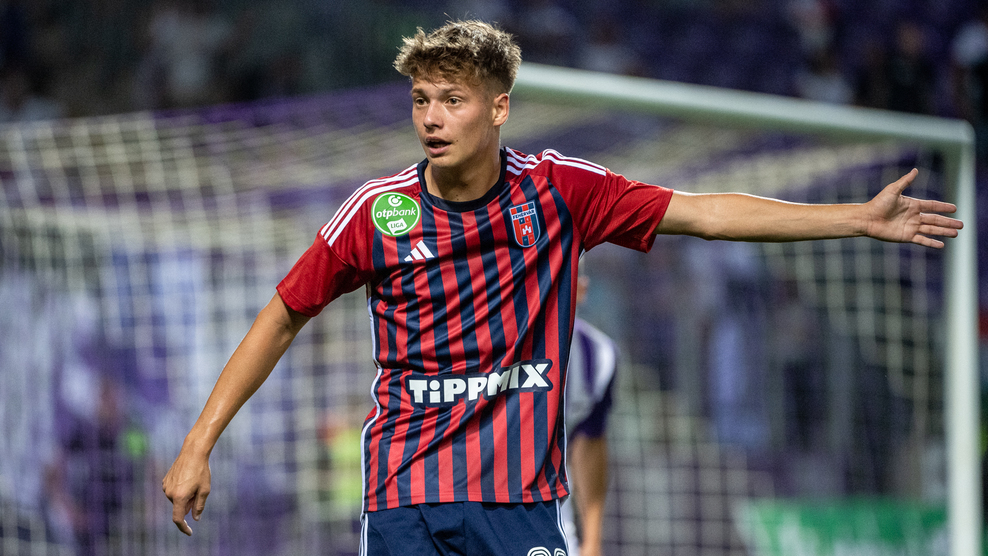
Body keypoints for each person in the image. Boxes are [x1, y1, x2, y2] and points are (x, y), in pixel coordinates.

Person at [162, 19, 963, 555]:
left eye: (453, 100)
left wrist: (855, 218)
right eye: (421, 100)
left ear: (499, 109)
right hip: (405, 497)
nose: (431, 118)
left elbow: (706, 214)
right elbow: (283, 315)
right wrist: (199, 445)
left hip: (522, 505)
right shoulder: (378, 211)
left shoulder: (559, 190)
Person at [561, 273, 617, 556]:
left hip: (551, 518)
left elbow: (589, 443)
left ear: (581, 287)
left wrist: (592, 541)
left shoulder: (598, 355)